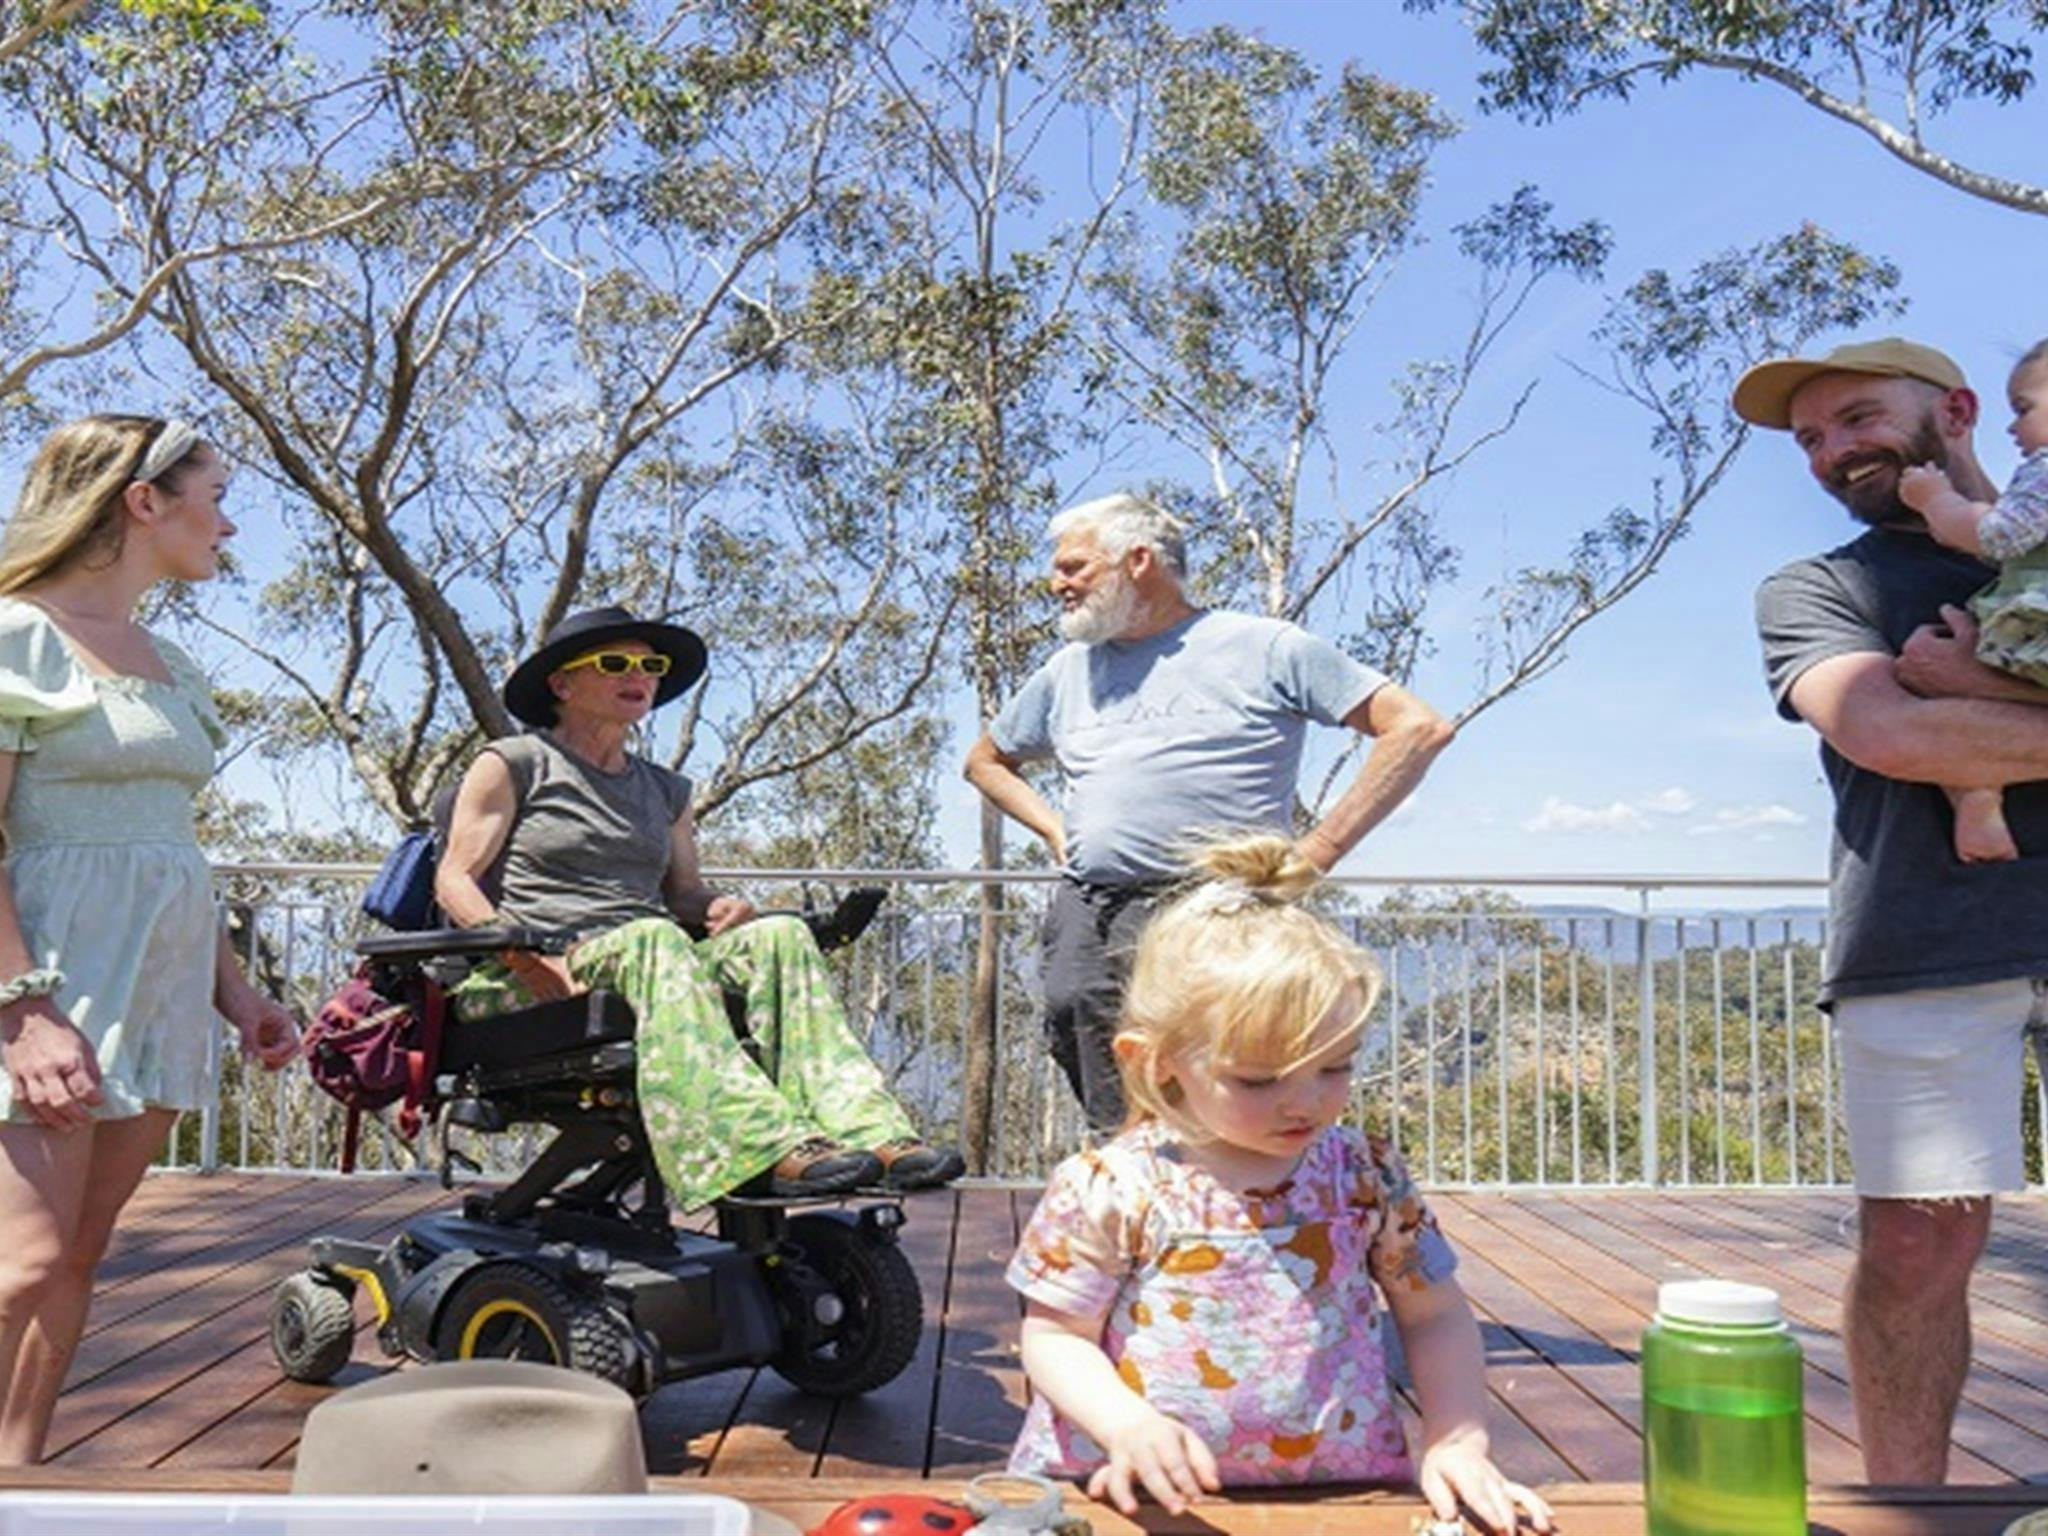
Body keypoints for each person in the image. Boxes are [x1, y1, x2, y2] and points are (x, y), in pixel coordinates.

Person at [1004, 835, 1550, 1535]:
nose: (1307, 1103)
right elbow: (1054, 1336)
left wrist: (1456, 1439)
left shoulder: (1364, 1173)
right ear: (1158, 1060)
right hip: (1126, 1495)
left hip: (1343, 1496)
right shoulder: (1110, 1185)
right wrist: (1127, 1425)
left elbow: (1433, 1312)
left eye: (1337, 1067)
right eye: (1258, 1079)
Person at [1739, 335, 2048, 1483]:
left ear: (1959, 411)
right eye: (1811, 439)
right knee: (1917, 1242)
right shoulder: (1816, 588)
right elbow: (1887, 732)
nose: (1831, 452)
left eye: (1855, 419)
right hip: (1918, 941)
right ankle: (1905, 1505)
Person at [434, 605, 963, 1208]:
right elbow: (454, 879)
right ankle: (757, 1145)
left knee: (779, 936)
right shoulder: (513, 763)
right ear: (562, 684)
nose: (639, 676)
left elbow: (683, 894)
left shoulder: (665, 790)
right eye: (614, 664)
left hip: (643, 958)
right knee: (652, 940)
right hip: (531, 973)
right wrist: (522, 955)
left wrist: (722, 907)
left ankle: (869, 1132)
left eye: (650, 665)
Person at [0, 416, 299, 1464]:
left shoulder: (169, 661)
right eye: (213, 493)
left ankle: (17, 1478)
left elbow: (171, 848)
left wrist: (237, 994)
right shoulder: (15, 635)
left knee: (77, 1254)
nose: (228, 523)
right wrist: (23, 1009)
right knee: (21, 1259)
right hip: (45, 991)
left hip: (159, 990)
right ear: (143, 500)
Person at [964, 493, 1452, 1134]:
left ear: (1138, 561)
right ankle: (1135, 1192)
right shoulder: (1067, 671)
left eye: (1075, 567)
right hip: (1093, 902)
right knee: (1078, 1021)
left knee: (1223, 1067)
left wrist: (1320, 851)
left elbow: (1416, 728)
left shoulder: (1265, 647)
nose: (1057, 583)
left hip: (1219, 905)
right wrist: (1058, 831)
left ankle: (1233, 1209)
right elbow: (986, 761)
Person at [1892, 337, 2048, 863]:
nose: (2013, 428)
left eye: (2023, 409)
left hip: (2031, 631)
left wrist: (1937, 501)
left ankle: (1977, 794)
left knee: (1933, 679)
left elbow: (1998, 535)